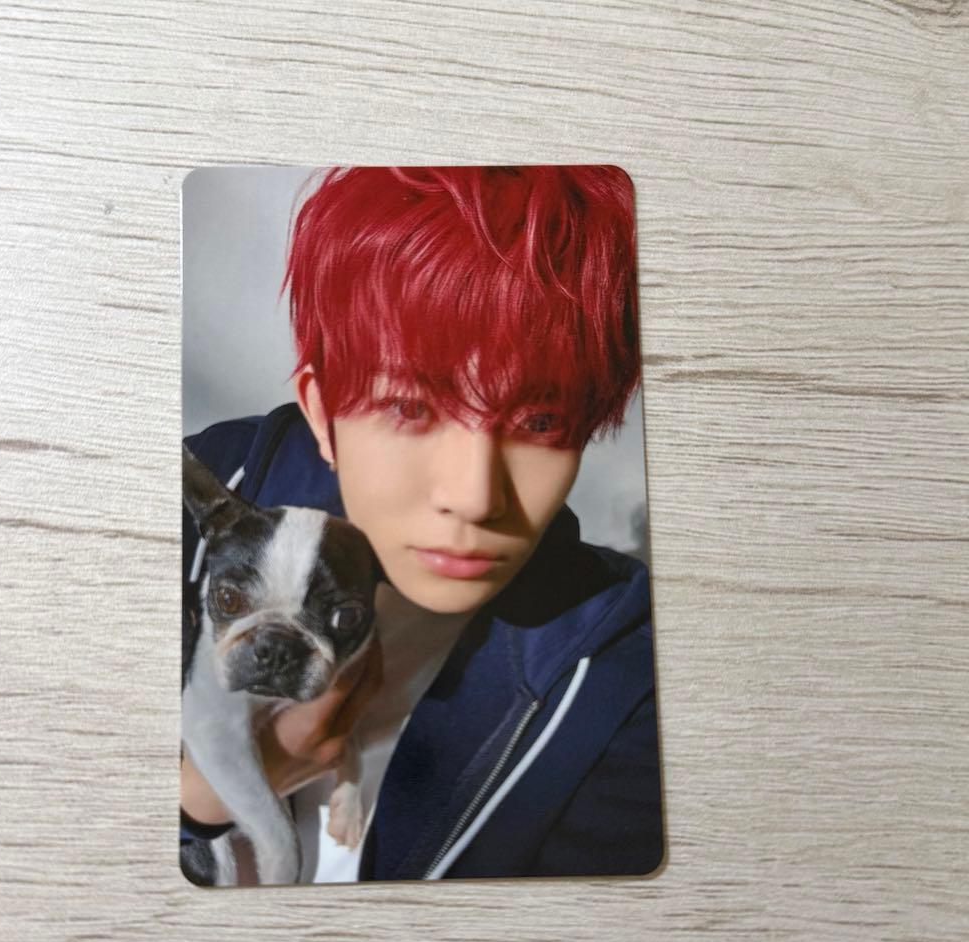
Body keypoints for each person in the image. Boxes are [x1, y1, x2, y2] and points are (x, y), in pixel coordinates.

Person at [181, 165, 664, 883]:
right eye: (410, 408)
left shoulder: (622, 672)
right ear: (322, 411)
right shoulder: (193, 497)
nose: (474, 496)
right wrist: (199, 800)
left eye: (539, 422)